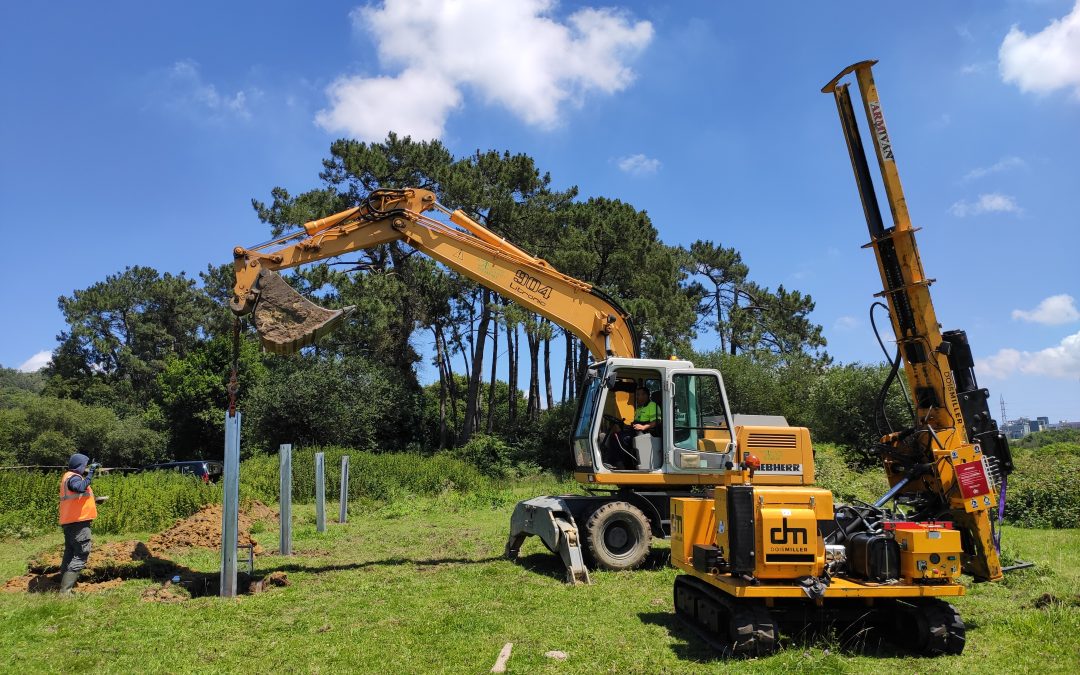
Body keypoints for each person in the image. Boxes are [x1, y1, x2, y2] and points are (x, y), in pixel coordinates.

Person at [58, 453, 101, 594]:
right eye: (85, 465)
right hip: (78, 523)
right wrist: (92, 473)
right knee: (82, 552)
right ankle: (65, 592)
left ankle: (63, 585)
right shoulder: (73, 477)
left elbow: (76, 497)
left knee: (70, 552)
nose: (86, 467)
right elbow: (79, 487)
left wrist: (94, 501)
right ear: (80, 465)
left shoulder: (68, 477)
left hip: (70, 522)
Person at [604, 386, 661, 469]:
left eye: (638, 395)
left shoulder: (653, 406)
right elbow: (636, 422)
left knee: (620, 438)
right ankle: (614, 461)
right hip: (636, 430)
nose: (637, 397)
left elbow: (657, 422)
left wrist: (644, 427)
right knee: (614, 435)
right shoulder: (639, 408)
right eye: (637, 395)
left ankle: (621, 464)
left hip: (646, 432)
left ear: (645, 395)